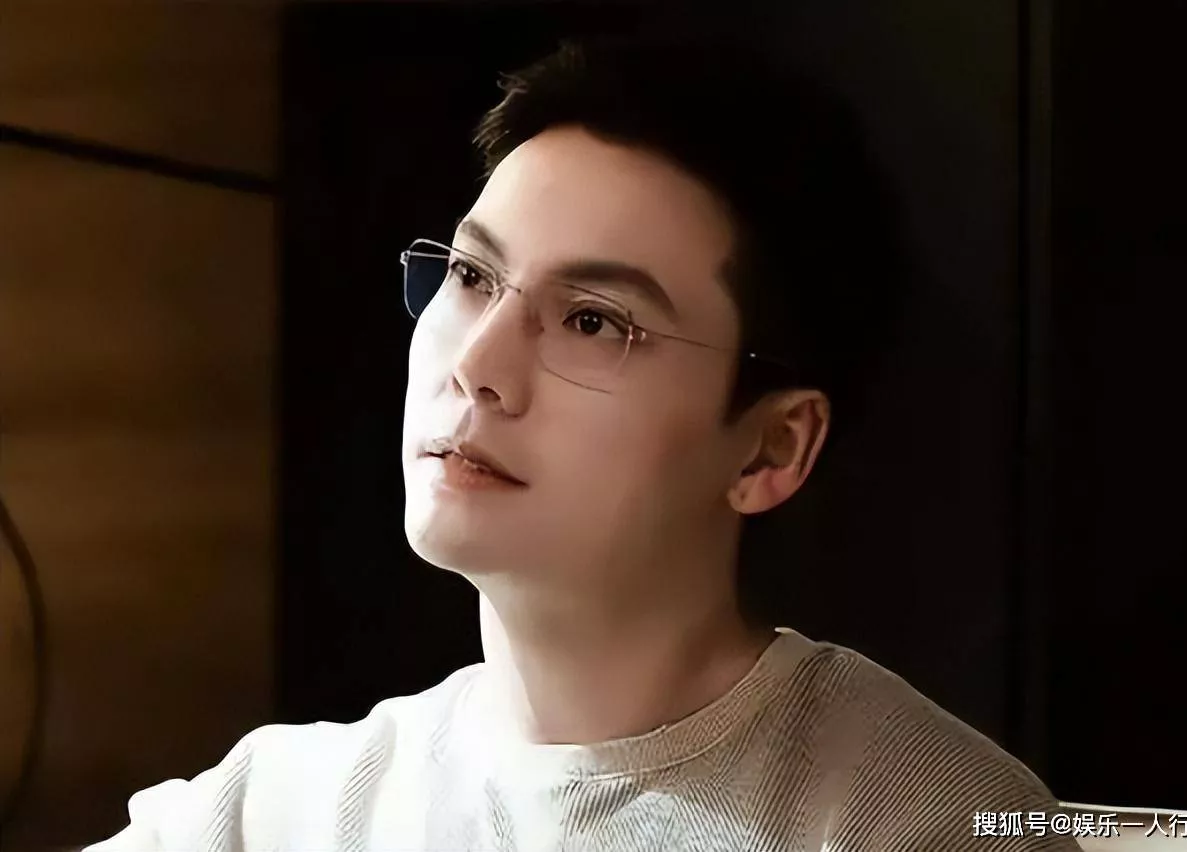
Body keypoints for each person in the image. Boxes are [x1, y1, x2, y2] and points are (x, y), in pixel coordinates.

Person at [85, 34, 1079, 852]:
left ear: (770, 448)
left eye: (594, 321)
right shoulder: (276, 812)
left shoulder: (922, 824)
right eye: (470, 276)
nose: (477, 364)